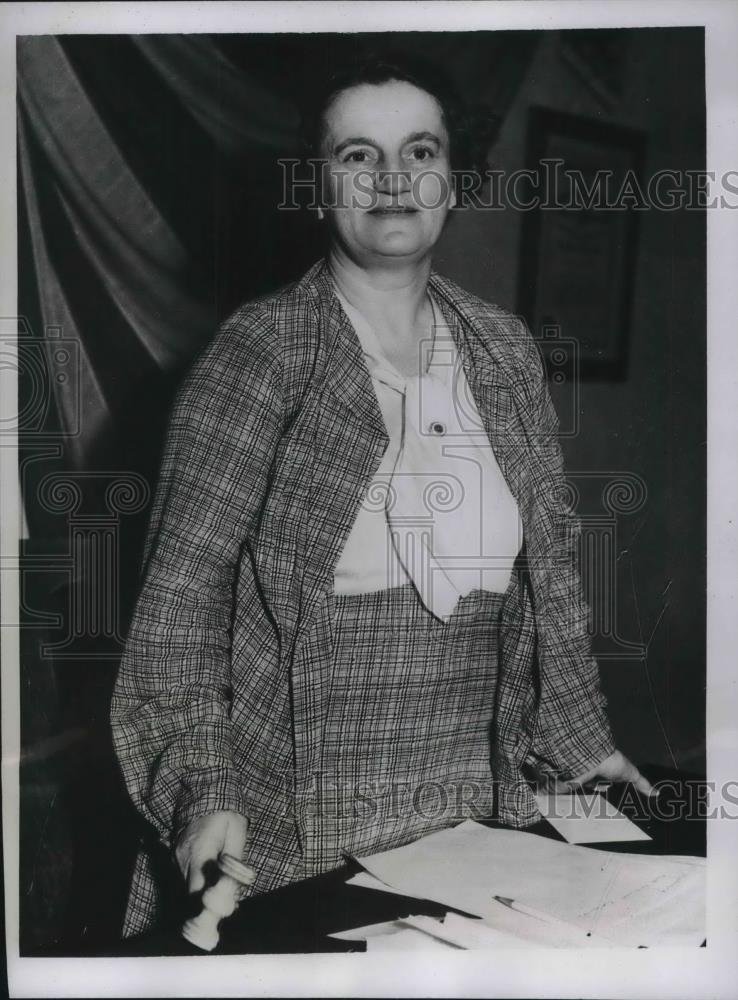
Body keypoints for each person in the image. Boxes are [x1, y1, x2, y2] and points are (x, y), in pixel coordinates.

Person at [110, 52, 654, 939]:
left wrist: (585, 745)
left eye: (420, 150)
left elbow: (549, 582)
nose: (394, 178)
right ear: (317, 185)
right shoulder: (260, 352)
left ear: (452, 176)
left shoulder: (504, 350)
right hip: (294, 829)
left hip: (484, 817)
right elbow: (177, 615)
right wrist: (202, 797)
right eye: (358, 155)